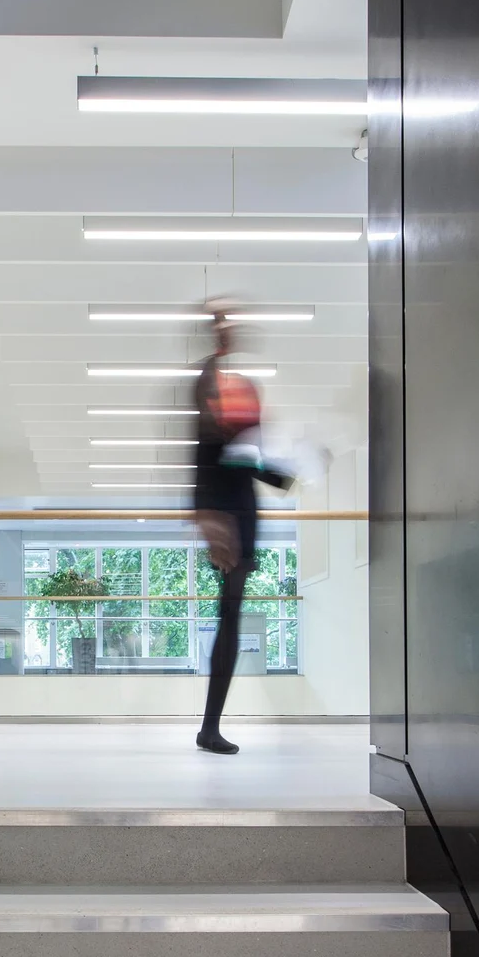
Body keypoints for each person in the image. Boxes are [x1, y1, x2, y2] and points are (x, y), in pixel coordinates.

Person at [192, 307, 293, 754]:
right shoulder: (215, 429)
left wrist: (283, 476)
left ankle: (210, 727)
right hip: (228, 522)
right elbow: (204, 402)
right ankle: (209, 728)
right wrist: (217, 352)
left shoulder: (236, 440)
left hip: (238, 521)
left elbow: (246, 464)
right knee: (228, 617)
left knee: (229, 616)